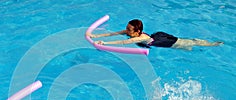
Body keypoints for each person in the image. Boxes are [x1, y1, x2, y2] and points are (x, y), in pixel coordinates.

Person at [87, 19, 223, 50]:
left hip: (162, 41)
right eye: (127, 28)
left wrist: (104, 44)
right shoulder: (131, 33)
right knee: (186, 45)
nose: (126, 31)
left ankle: (212, 44)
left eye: (129, 29)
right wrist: (95, 36)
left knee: (187, 44)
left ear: (137, 31)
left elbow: (123, 42)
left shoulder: (140, 37)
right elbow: (113, 34)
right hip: (157, 36)